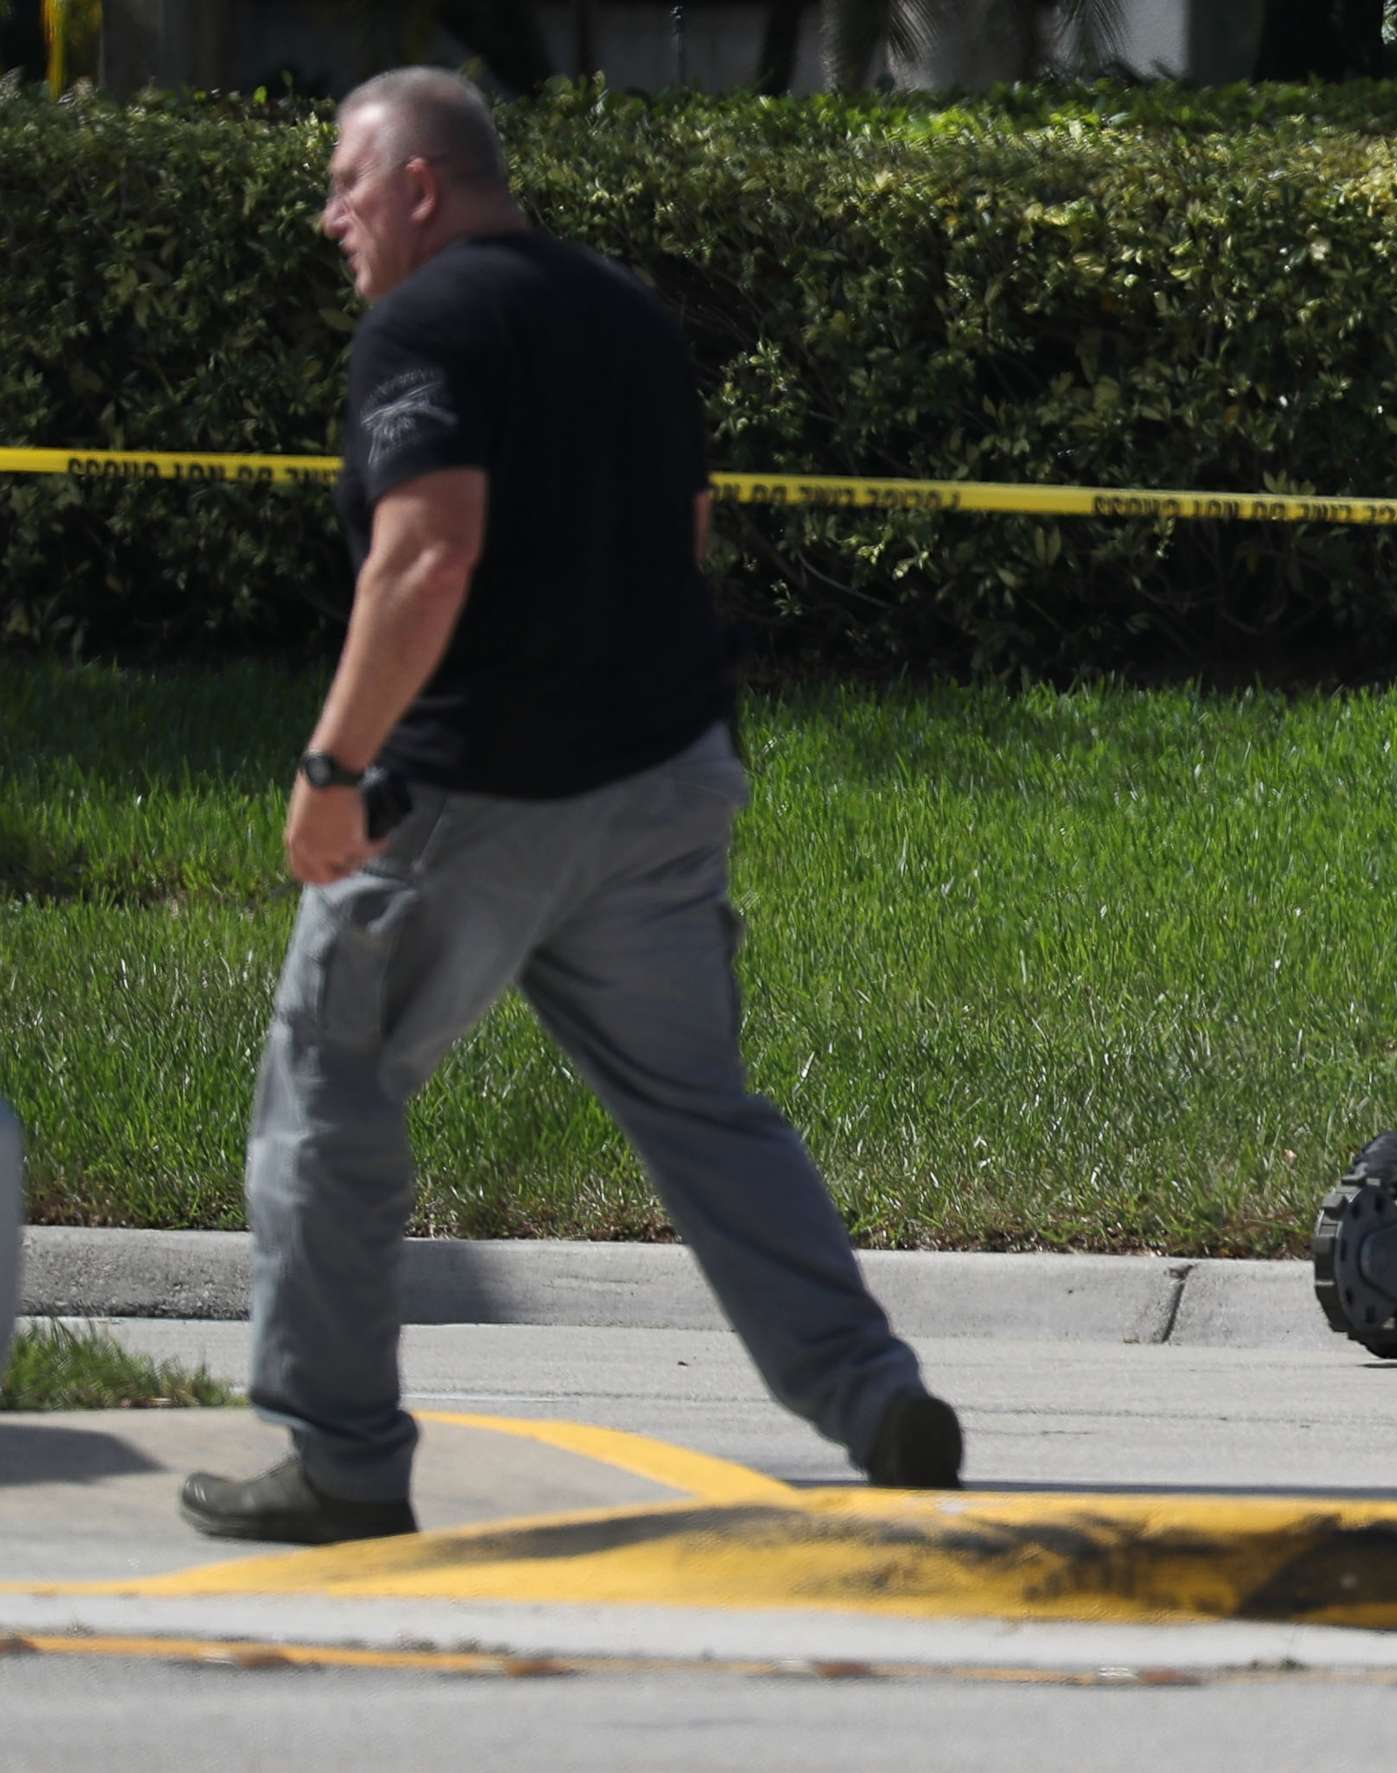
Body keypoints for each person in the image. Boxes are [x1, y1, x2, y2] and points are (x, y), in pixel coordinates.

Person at [179, 66, 960, 1545]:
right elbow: (690, 533)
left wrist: (335, 768)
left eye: (347, 182)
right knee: (702, 1111)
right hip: (660, 785)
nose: (331, 215)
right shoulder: (623, 312)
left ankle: (339, 1458)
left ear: (419, 183)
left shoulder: (425, 324)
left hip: (472, 794)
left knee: (326, 1101)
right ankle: (871, 1393)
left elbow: (428, 553)